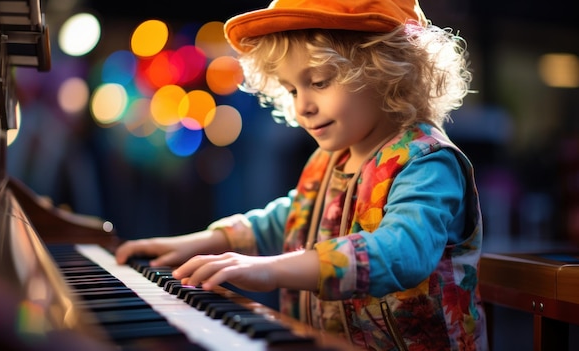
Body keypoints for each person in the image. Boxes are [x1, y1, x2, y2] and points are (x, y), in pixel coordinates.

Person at [115, 0, 488, 349]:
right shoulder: (330, 158)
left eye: (320, 82)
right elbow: (291, 218)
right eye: (291, 88)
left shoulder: (427, 162)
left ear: (388, 71)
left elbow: (402, 251)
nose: (302, 107)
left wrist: (273, 270)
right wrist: (199, 242)